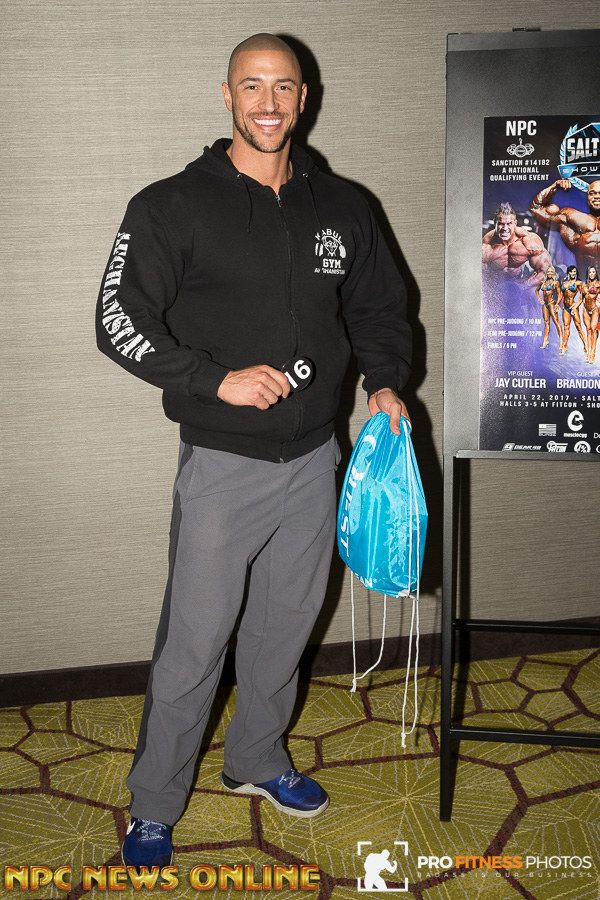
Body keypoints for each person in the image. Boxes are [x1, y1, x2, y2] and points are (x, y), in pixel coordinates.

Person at [95, 33, 412, 870]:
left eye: (283, 87)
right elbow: (117, 321)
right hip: (221, 465)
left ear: (304, 97)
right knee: (196, 642)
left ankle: (257, 759)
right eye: (252, 86)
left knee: (284, 629)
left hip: (314, 459)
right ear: (227, 94)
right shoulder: (170, 205)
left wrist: (386, 384)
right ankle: (154, 804)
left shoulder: (343, 204)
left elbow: (379, 309)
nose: (268, 103)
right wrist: (214, 380)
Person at [530, 178, 600, 272]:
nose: (597, 196)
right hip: (585, 278)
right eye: (592, 193)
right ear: (587, 196)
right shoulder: (574, 218)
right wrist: (555, 186)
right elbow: (535, 208)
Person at [482, 202, 550, 286]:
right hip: (497, 281)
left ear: (515, 223)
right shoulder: (487, 244)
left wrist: (523, 287)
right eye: (501, 224)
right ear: (495, 223)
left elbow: (545, 271)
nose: (505, 228)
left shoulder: (529, 241)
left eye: (509, 224)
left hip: (523, 277)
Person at [560, 265, 587, 356]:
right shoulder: (564, 282)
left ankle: (586, 346)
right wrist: (557, 304)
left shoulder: (578, 283)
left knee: (578, 327)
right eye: (571, 271)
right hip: (565, 307)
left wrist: (575, 306)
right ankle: (564, 347)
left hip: (573, 307)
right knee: (566, 327)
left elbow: (582, 297)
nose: (573, 273)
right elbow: (561, 295)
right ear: (568, 272)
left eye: (575, 272)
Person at [535, 265, 563, 350]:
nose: (550, 273)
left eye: (551, 271)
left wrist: (557, 304)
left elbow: (560, 294)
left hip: (551, 303)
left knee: (556, 322)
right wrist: (540, 299)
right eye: (548, 271)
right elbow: (536, 290)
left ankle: (561, 342)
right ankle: (545, 341)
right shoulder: (543, 282)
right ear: (546, 273)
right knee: (546, 322)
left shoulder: (555, 282)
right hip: (545, 304)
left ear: (553, 273)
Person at [581, 266, 600, 364]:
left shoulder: (598, 284)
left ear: (596, 273)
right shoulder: (585, 285)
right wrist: (574, 308)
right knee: (588, 330)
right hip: (586, 310)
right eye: (590, 272)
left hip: (595, 309)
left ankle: (592, 353)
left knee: (594, 330)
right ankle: (588, 354)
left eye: (593, 272)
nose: (592, 274)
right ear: (588, 274)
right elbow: (581, 298)